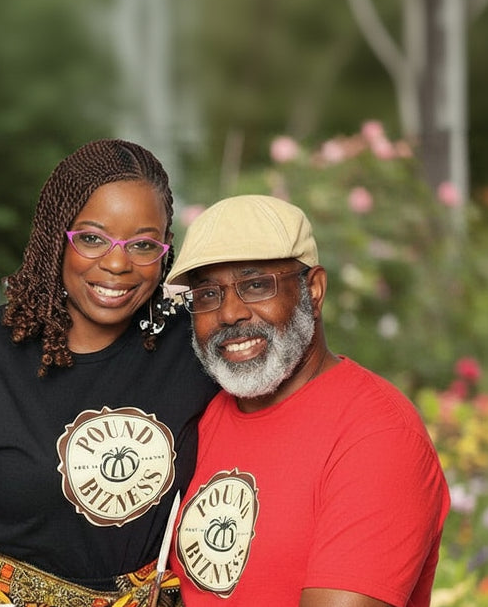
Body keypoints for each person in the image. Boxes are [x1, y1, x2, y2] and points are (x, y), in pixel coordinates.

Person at [0, 139, 218, 606]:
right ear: (56, 236)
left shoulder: (190, 347)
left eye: (143, 244)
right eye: (91, 237)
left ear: (165, 252)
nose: (116, 263)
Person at [165, 195, 450, 607]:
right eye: (208, 294)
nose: (230, 313)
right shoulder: (204, 413)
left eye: (256, 284)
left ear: (313, 290)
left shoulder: (377, 436)